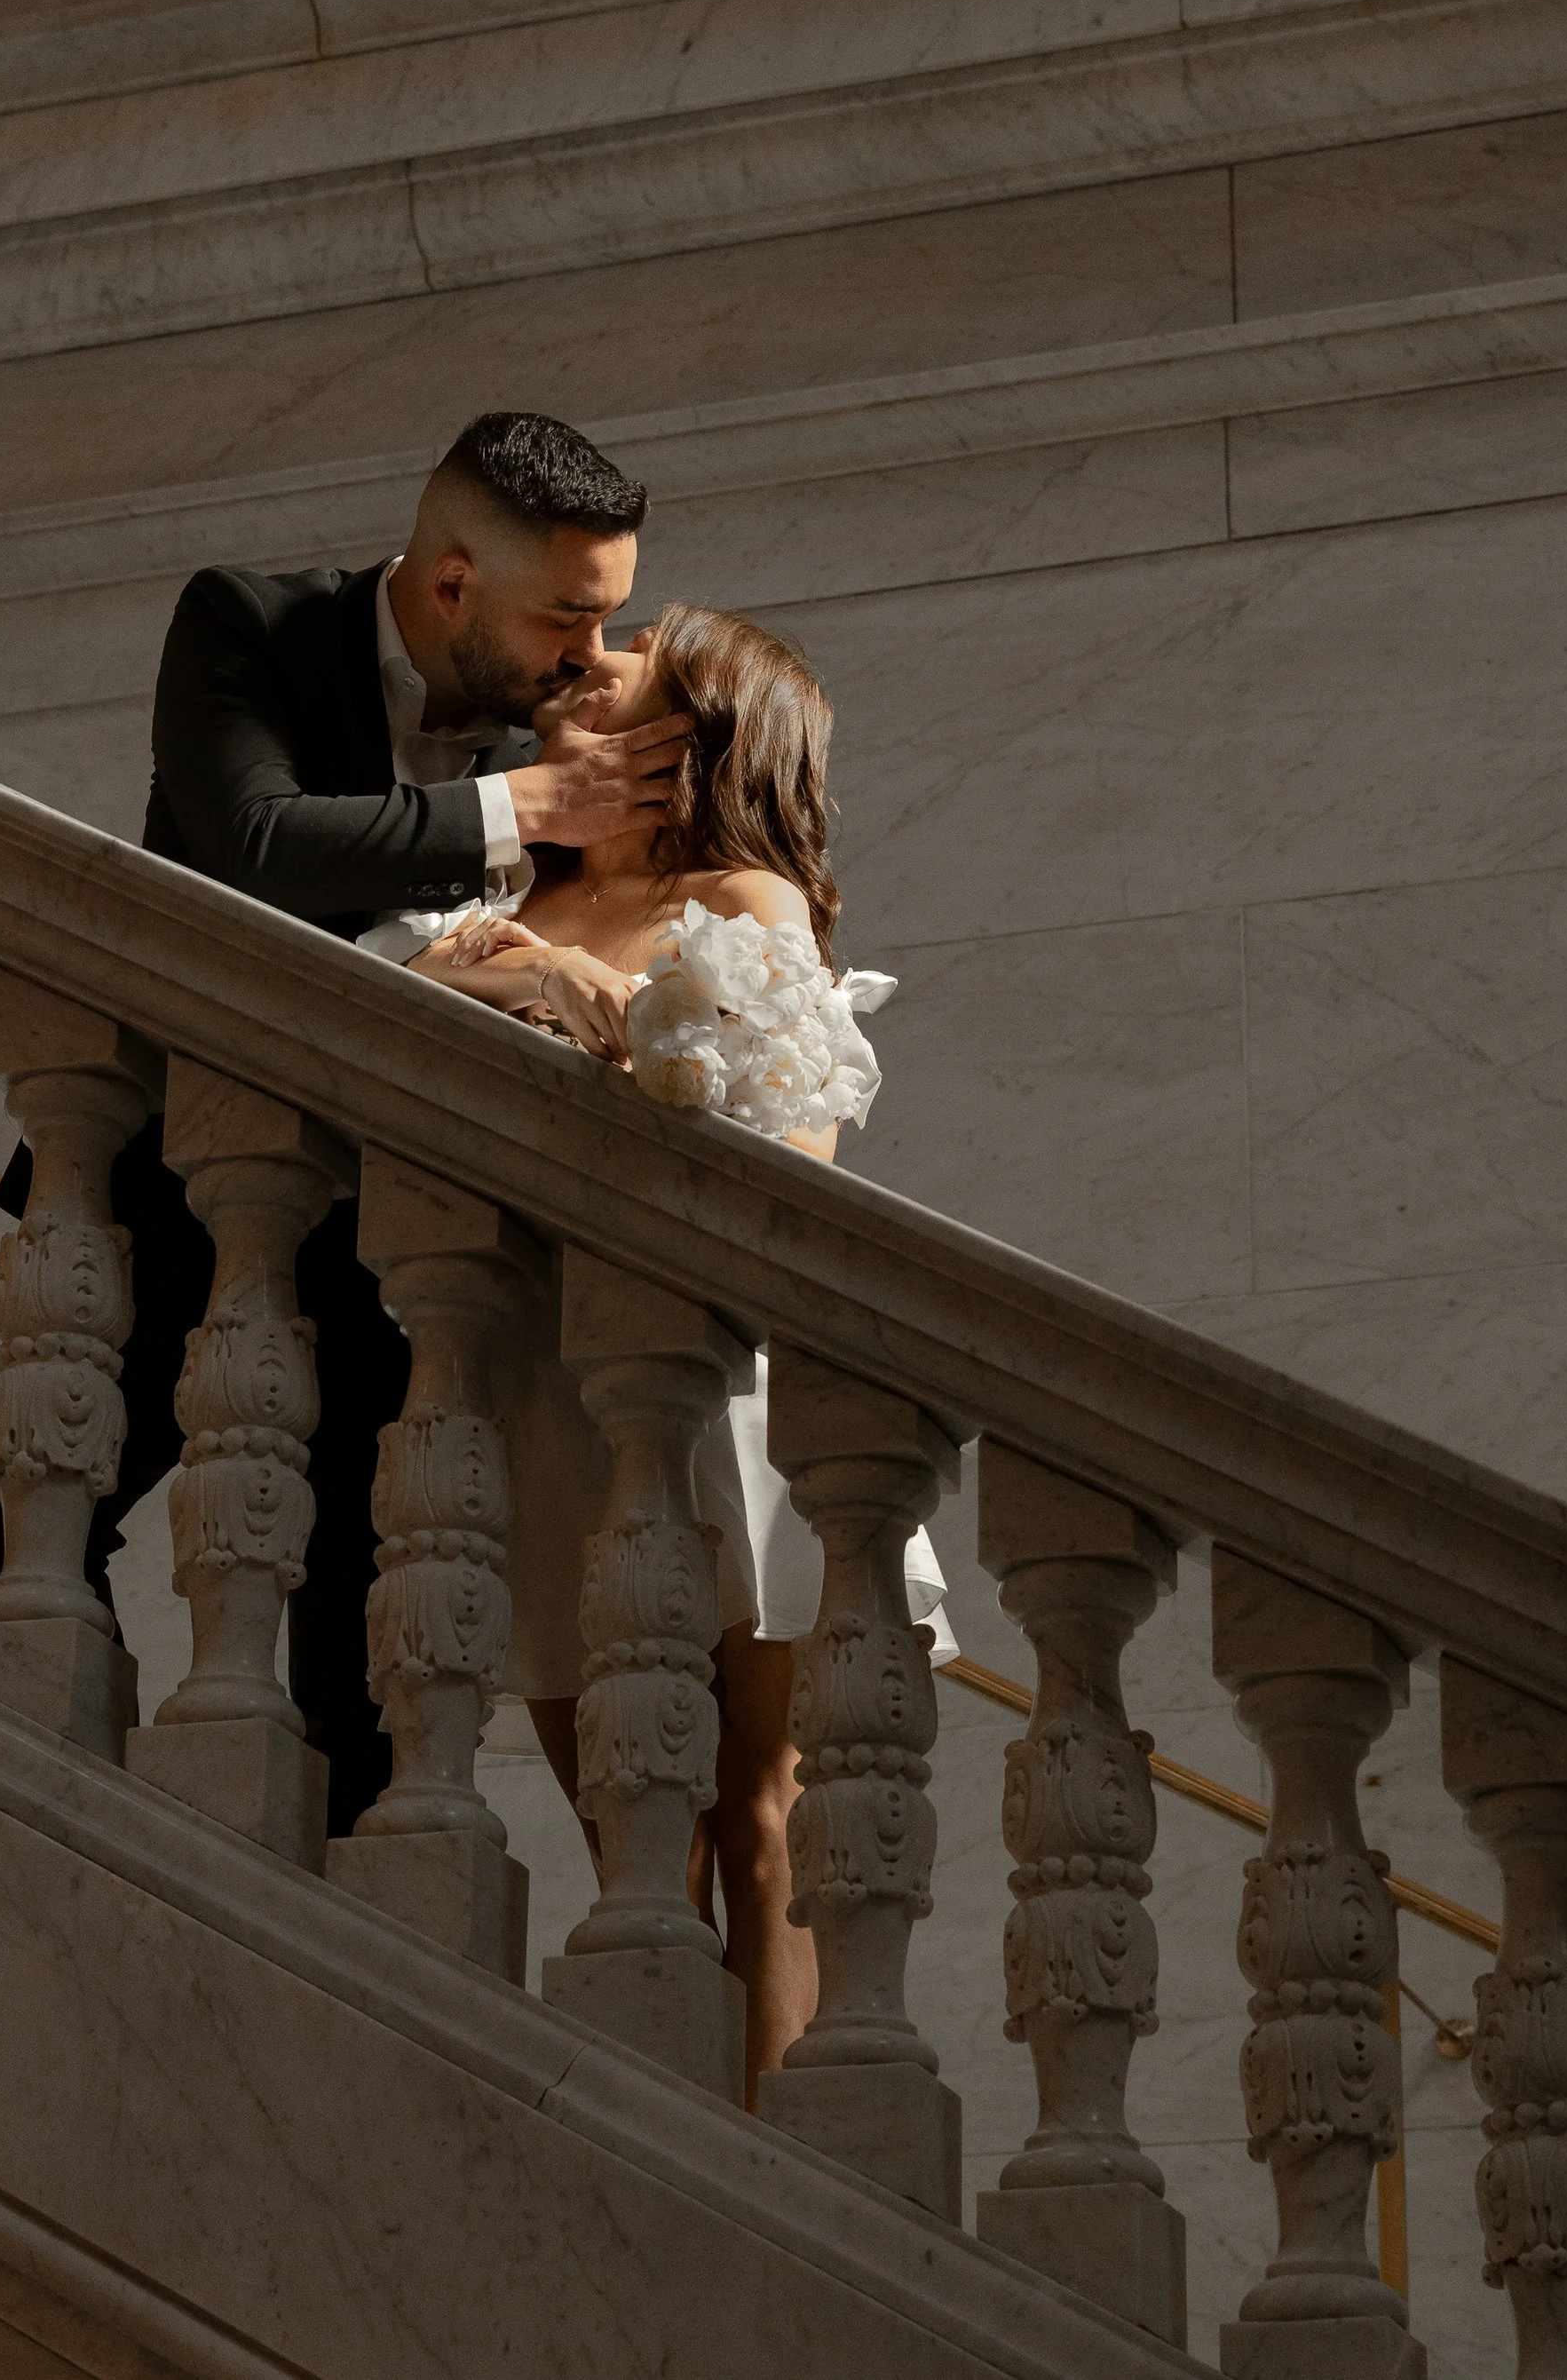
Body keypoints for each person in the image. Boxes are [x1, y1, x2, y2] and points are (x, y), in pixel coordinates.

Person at [0, 409, 686, 1836]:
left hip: (395, 1231)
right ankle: (47, 1828)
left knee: (360, 1620)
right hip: (173, 1165)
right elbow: (254, 846)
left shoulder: (573, 730)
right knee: (24, 1505)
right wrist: (515, 805)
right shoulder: (250, 627)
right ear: (456, 583)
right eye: (571, 617)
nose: (592, 657)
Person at [360, 603, 947, 2103]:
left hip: (720, 1394)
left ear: (692, 724)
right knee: (629, 1829)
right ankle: (670, 2140)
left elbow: (789, 1149)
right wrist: (538, 981)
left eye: (635, 654)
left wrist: (616, 1028)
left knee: (756, 1815)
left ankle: (780, 2176)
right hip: (541, 1383)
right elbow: (377, 1039)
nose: (587, 654)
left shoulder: (743, 894)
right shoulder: (490, 901)